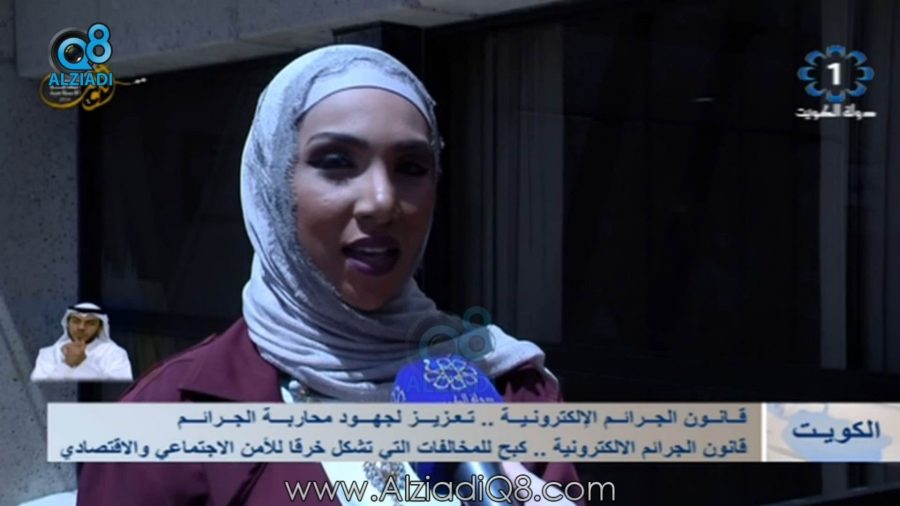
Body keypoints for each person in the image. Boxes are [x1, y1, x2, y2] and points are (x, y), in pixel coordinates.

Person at [77, 44, 580, 505]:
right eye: (337, 162)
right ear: (273, 186)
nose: (382, 202)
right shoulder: (163, 420)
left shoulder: (512, 391)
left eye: (411, 167)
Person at [30, 302, 133, 382]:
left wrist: (83, 363)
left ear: (99, 328)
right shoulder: (48, 353)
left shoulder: (115, 353)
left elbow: (117, 390)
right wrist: (67, 364)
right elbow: (41, 389)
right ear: (67, 324)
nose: (81, 327)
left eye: (90, 323)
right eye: (76, 321)